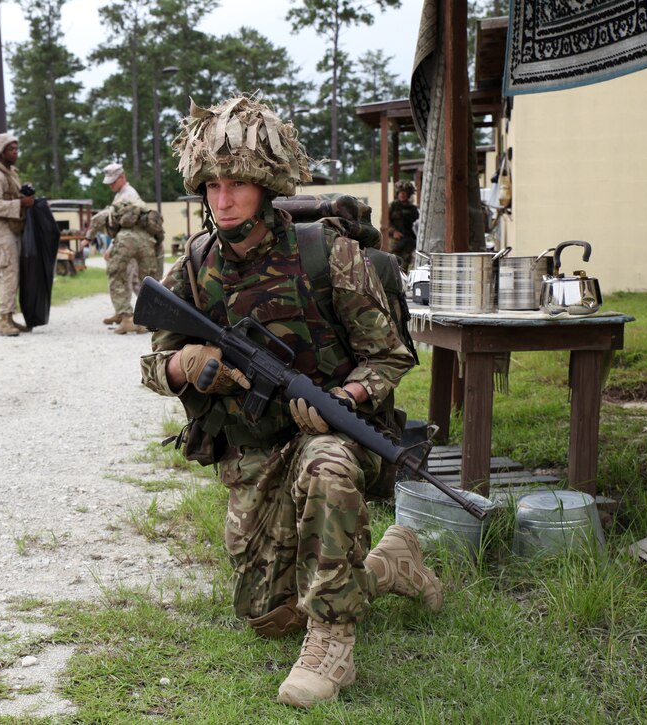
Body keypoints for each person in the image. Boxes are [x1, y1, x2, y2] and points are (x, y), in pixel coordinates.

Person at [139, 96, 442, 708]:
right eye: (213, 186)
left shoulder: (326, 253)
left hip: (331, 433)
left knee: (327, 462)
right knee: (270, 615)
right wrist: (188, 365)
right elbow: (154, 367)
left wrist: (344, 396)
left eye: (237, 185)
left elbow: (389, 356)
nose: (224, 200)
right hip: (252, 454)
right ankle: (390, 564)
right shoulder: (194, 267)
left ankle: (331, 644)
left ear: (267, 187)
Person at [0, 133, 34, 337]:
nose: (16, 153)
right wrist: (20, 203)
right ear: (1, 152)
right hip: (0, 229)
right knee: (9, 272)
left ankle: (9, 316)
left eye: (17, 149)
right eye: (11, 149)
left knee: (14, 274)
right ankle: (4, 319)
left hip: (10, 229)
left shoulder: (10, 173)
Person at [95, 163, 160, 334]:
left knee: (126, 279)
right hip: (136, 243)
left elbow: (123, 226)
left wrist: (110, 246)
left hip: (130, 244)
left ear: (122, 177)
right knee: (134, 280)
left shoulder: (128, 195)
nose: (110, 185)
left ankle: (131, 318)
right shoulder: (121, 194)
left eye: (113, 181)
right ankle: (130, 315)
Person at [387, 180, 419, 272]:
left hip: (409, 243)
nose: (402, 194)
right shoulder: (392, 206)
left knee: (405, 267)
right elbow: (385, 222)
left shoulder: (413, 209)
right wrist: (394, 232)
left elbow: (418, 224)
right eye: (400, 192)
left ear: (408, 194)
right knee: (393, 267)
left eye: (404, 192)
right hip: (395, 243)